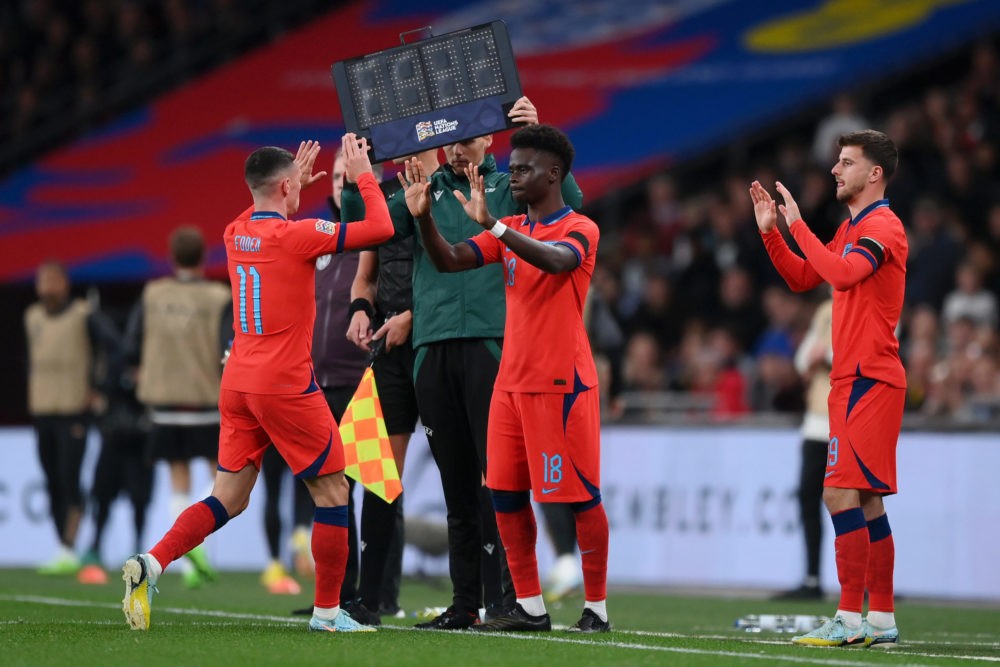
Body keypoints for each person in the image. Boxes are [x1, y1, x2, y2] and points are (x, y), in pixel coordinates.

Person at [121, 134, 393, 633]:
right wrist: (363, 177)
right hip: (284, 383)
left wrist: (293, 192)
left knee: (229, 495)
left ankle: (151, 564)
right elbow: (380, 226)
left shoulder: (233, 231)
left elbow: (274, 226)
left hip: (238, 380)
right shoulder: (298, 234)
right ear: (287, 186)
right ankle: (329, 616)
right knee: (333, 491)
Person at [399, 123, 609, 633]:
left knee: (579, 498)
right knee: (506, 496)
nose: (513, 175)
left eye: (523, 168)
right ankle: (530, 608)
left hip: (562, 385)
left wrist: (494, 227)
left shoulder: (579, 227)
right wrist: (424, 220)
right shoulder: (511, 227)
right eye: (511, 167)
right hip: (509, 386)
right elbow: (450, 261)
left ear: (554, 173)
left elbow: (559, 264)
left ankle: (596, 608)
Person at [749, 129, 907, 648]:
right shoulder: (852, 227)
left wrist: (799, 224)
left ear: (874, 173)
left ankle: (847, 617)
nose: (835, 170)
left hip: (870, 378)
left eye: (846, 163)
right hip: (852, 381)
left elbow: (840, 274)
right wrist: (774, 232)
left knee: (838, 491)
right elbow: (802, 277)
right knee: (866, 502)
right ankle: (880, 620)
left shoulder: (884, 227)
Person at [342, 149, 430, 622]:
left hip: (439, 344)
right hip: (390, 351)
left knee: (467, 474)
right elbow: (365, 276)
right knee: (378, 477)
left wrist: (411, 319)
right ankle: (369, 601)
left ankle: (484, 601)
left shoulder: (455, 197)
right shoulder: (388, 202)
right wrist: (360, 308)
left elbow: (462, 274)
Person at [125, 225, 231, 589]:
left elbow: (130, 343)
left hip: (164, 401)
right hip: (205, 400)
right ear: (204, 257)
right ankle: (195, 552)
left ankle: (185, 564)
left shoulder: (153, 294)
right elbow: (229, 346)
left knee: (177, 479)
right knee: (220, 482)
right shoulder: (219, 296)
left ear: (172, 257)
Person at [24, 260, 121, 575]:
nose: (46, 287)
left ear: (65, 283)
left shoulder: (83, 314)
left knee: (70, 477)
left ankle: (69, 544)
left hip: (73, 411)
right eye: (42, 280)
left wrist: (98, 387)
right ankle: (62, 545)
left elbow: (113, 347)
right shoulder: (33, 317)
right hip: (43, 410)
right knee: (52, 480)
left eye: (52, 279)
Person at [79, 328, 154, 585]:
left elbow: (153, 400)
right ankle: (95, 545)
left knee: (140, 499)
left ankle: (137, 549)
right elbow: (99, 397)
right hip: (113, 442)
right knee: (102, 497)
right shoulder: (109, 364)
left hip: (140, 444)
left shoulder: (152, 366)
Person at [772, 296, 833, 601]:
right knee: (809, 499)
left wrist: (828, 356)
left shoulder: (872, 304)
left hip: (851, 417)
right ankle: (812, 578)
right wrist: (817, 357)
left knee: (858, 501)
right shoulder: (826, 311)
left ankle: (866, 581)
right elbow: (803, 357)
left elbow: (873, 353)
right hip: (817, 419)